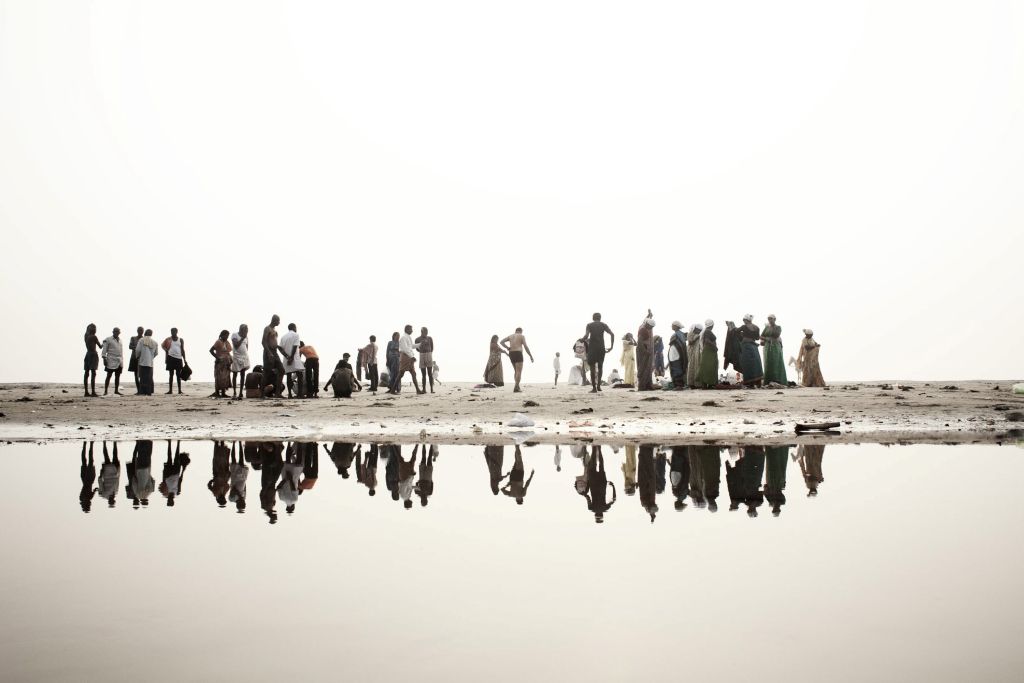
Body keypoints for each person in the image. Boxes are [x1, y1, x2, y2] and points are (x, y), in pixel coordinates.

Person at [576, 445, 616, 523]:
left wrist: (612, 486)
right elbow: (588, 497)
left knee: (601, 466)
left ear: (602, 515)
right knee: (593, 465)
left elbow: (613, 499)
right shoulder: (591, 508)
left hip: (602, 484)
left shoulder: (605, 508)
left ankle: (599, 449)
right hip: (593, 484)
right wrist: (584, 492)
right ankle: (594, 448)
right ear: (596, 516)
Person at [582, 313, 613, 393]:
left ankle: (594, 388)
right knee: (600, 367)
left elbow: (586, 336)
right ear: (600, 318)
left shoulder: (589, 325)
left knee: (592, 367)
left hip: (592, 348)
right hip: (601, 348)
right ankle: (599, 386)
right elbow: (612, 334)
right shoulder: (603, 325)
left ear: (593, 318)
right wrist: (611, 347)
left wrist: (581, 339)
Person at [500, 327, 534, 393]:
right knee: (519, 371)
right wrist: (530, 356)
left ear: (515, 331)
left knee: (516, 370)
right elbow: (525, 346)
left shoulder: (510, 336)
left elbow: (501, 342)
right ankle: (516, 387)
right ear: (521, 331)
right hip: (518, 353)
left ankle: (517, 386)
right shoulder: (521, 336)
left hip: (511, 353)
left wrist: (507, 347)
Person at [261, 315, 284, 397]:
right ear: (274, 320)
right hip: (268, 352)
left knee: (282, 370)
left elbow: (273, 341)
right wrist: (268, 352)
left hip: (275, 352)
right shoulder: (267, 328)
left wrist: (278, 346)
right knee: (267, 372)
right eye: (278, 321)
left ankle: (277, 393)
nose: (279, 322)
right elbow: (263, 342)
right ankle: (262, 394)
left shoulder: (274, 330)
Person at [278, 323, 304, 398]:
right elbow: (295, 346)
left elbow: (279, 348)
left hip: (286, 359)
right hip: (295, 358)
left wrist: (287, 356)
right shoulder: (296, 335)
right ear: (294, 328)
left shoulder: (283, 337)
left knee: (289, 375)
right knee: (300, 374)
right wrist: (292, 357)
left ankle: (289, 394)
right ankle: (300, 394)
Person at [761, 314, 787, 385]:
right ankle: (768, 380)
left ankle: (777, 379)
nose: (769, 320)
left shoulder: (778, 327)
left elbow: (776, 335)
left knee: (775, 362)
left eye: (771, 319)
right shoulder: (766, 328)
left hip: (775, 347)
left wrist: (767, 338)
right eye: (768, 319)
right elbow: (761, 335)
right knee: (768, 362)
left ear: (774, 319)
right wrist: (766, 339)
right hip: (767, 347)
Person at [398, 325, 424, 394]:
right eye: (411, 329)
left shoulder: (407, 337)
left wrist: (419, 344)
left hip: (408, 357)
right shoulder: (403, 337)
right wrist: (412, 356)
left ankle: (418, 390)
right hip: (405, 357)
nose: (412, 331)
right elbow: (405, 349)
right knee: (401, 374)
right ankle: (392, 390)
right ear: (406, 329)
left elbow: (411, 346)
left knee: (413, 373)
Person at [739, 314, 764, 387]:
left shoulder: (744, 327)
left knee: (747, 364)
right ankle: (758, 382)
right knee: (756, 363)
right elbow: (757, 338)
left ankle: (750, 383)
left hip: (746, 346)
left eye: (744, 320)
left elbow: (735, 331)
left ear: (746, 320)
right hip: (754, 346)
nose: (744, 322)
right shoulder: (756, 327)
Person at [163, 328, 187, 395]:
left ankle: (179, 390)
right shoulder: (168, 339)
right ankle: (170, 390)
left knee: (178, 375)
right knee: (171, 374)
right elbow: (162, 345)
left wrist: (184, 359)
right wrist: (166, 350)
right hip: (170, 358)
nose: (172, 333)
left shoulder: (180, 340)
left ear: (177, 332)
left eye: (174, 331)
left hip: (178, 358)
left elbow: (182, 349)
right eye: (171, 331)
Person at [209, 330, 233, 398]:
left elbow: (228, 351)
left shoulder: (227, 342)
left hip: (226, 363)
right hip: (220, 362)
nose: (227, 337)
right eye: (226, 336)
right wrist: (217, 358)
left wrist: (230, 361)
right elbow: (211, 350)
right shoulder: (218, 342)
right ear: (222, 335)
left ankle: (223, 393)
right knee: (219, 377)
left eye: (227, 336)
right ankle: (217, 392)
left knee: (225, 378)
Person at [134, 329, 159, 395]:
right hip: (150, 362)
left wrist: (137, 357)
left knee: (142, 377)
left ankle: (142, 392)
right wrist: (151, 357)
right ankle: (148, 392)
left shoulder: (141, 340)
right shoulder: (155, 342)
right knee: (149, 378)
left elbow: (138, 350)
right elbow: (156, 353)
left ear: (145, 333)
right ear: (151, 334)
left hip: (142, 361)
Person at [696, 319, 719, 388]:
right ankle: (708, 384)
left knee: (706, 367)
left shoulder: (706, 331)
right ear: (712, 325)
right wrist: (715, 347)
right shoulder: (708, 331)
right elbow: (707, 340)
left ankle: (705, 384)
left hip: (708, 351)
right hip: (710, 351)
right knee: (710, 367)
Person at [101, 327, 124, 395]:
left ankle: (116, 390)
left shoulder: (120, 340)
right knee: (109, 375)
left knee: (117, 376)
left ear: (119, 333)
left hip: (119, 360)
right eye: (115, 331)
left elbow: (121, 351)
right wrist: (104, 358)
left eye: (118, 331)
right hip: (110, 359)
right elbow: (104, 350)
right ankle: (105, 391)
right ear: (113, 332)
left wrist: (122, 361)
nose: (116, 332)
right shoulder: (108, 339)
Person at [230, 324, 250, 400]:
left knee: (243, 374)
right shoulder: (234, 335)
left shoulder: (246, 337)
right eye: (245, 330)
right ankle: (234, 392)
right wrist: (242, 338)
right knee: (235, 374)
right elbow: (236, 345)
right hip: (236, 357)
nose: (246, 332)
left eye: (247, 331)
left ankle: (241, 392)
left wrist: (244, 337)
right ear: (241, 329)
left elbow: (246, 347)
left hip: (244, 357)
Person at [97, 441, 120, 508]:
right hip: (114, 471)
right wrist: (118, 470)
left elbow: (100, 482)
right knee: (113, 456)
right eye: (113, 501)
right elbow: (117, 481)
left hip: (107, 472)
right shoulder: (115, 492)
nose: (112, 499)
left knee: (107, 456)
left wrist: (101, 473)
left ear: (109, 501)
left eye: (111, 501)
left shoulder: (104, 494)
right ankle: (114, 443)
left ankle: (105, 444)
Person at [636, 313, 655, 391]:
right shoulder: (643, 329)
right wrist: (645, 351)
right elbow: (639, 342)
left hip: (647, 350)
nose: (651, 328)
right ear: (647, 324)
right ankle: (642, 386)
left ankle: (648, 385)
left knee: (648, 368)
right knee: (643, 368)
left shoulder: (646, 328)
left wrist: (649, 316)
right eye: (650, 326)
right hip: (643, 350)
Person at [667, 321, 688, 389]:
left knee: (676, 368)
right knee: (677, 367)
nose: (671, 326)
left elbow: (679, 345)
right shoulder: (680, 334)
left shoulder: (677, 334)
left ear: (676, 326)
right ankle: (678, 384)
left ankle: (678, 385)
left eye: (672, 325)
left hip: (676, 354)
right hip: (677, 354)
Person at [83, 323, 101, 397]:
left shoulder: (86, 336)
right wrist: (104, 343)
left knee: (86, 373)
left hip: (87, 354)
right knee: (93, 373)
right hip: (93, 355)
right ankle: (93, 391)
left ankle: (86, 392)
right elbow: (100, 346)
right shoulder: (94, 337)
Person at [415, 327, 435, 393]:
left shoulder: (429, 338)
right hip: (422, 355)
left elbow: (432, 348)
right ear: (421, 332)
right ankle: (424, 389)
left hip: (429, 355)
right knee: (423, 374)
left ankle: (432, 389)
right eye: (425, 332)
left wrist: (428, 352)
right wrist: (422, 351)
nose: (426, 333)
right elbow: (417, 349)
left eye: (427, 332)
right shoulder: (417, 339)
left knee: (430, 373)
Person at [79, 441, 97, 512]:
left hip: (89, 479)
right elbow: (94, 490)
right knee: (84, 461)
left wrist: (97, 490)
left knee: (90, 461)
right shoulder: (81, 498)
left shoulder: (88, 498)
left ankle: (91, 444)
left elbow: (94, 489)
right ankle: (85, 444)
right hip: (84, 479)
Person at [127, 326, 144, 394]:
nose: (140, 331)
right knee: (136, 374)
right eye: (139, 330)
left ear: (143, 331)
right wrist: (138, 348)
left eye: (141, 330)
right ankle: (138, 390)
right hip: (134, 358)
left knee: (142, 375)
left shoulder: (144, 339)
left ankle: (142, 389)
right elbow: (130, 346)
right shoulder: (133, 338)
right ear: (137, 331)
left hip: (142, 359)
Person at [686, 323, 703, 389]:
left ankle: (697, 384)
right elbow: (690, 342)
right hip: (691, 351)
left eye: (700, 330)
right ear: (694, 328)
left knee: (697, 366)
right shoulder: (690, 334)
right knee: (691, 367)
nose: (699, 331)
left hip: (697, 352)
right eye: (697, 329)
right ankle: (691, 383)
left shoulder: (700, 334)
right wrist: (696, 337)